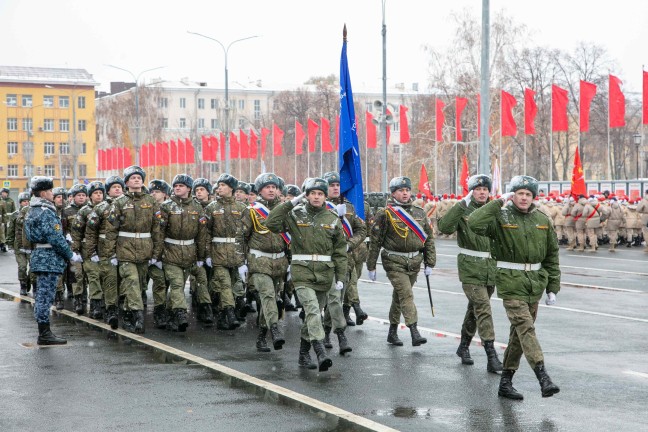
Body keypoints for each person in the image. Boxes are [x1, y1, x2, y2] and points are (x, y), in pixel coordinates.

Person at [468, 175, 560, 400]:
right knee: (526, 327)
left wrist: (552, 287)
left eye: (528, 194)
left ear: (533, 197)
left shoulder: (542, 219)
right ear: (513, 195)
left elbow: (551, 255)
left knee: (518, 336)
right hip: (510, 281)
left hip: (535, 283)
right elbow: (474, 222)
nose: (524, 198)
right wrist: (498, 201)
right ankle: (543, 376)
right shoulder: (501, 215)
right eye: (520, 193)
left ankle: (506, 382)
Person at [265, 178, 347, 372]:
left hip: (324, 275)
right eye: (312, 193)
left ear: (325, 197)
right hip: (302, 272)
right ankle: (320, 351)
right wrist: (290, 203)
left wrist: (341, 277)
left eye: (320, 194)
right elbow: (272, 223)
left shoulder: (332, 218)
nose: (316, 197)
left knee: (314, 315)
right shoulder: (295, 215)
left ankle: (303, 353)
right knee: (311, 311)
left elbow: (340, 252)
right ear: (307, 196)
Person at [437, 174, 503, 372]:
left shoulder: (496, 210)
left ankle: (464, 346)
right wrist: (460, 207)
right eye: (478, 189)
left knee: (474, 310)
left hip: (491, 268)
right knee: (483, 308)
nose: (482, 192)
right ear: (471, 191)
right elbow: (444, 228)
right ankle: (491, 355)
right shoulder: (463, 209)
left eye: (485, 189)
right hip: (470, 267)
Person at [366, 176, 436, 347]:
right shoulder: (385, 214)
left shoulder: (419, 212)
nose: (404, 193)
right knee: (406, 294)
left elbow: (428, 239)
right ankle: (414, 331)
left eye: (407, 190)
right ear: (393, 193)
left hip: (414, 262)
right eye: (400, 191)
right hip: (394, 261)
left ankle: (392, 332)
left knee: (399, 297)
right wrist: (371, 265)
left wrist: (430, 262)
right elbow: (375, 241)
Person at [107, 166, 163, 333]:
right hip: (125, 249)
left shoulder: (151, 201)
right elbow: (111, 230)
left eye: (139, 177)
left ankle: (126, 313)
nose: (136, 180)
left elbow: (157, 229)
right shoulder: (119, 202)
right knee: (131, 281)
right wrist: (111, 253)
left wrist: (155, 253)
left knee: (139, 284)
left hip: (145, 249)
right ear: (127, 182)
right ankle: (138, 316)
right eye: (133, 178)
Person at [154, 174, 210, 332]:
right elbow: (159, 233)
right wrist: (157, 256)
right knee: (177, 284)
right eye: (176, 185)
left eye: (181, 185)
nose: (177, 188)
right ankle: (180, 313)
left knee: (178, 285)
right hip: (170, 252)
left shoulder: (197, 207)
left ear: (188, 189)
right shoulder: (166, 206)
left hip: (189, 253)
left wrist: (201, 256)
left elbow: (201, 235)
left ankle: (172, 317)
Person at [242, 173, 290, 352]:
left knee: (272, 299)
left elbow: (290, 237)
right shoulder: (252, 210)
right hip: (259, 260)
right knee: (268, 295)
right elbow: (243, 237)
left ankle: (262, 336)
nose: (271, 190)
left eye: (274, 187)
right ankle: (275, 330)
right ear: (260, 190)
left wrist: (291, 262)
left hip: (279, 261)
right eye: (267, 187)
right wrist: (242, 263)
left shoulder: (285, 209)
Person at [321, 171, 366, 355]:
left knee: (336, 300)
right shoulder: (318, 207)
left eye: (338, 185)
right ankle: (335, 334)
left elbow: (361, 230)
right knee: (330, 300)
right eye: (331, 185)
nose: (335, 188)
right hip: (323, 260)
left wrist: (349, 245)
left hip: (344, 261)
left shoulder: (349, 207)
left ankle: (326, 331)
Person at [24, 177, 73, 345]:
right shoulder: (46, 211)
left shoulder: (32, 210)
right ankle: (44, 334)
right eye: (51, 191)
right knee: (45, 297)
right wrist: (69, 253)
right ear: (44, 193)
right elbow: (55, 237)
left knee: (42, 296)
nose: (53, 194)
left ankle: (44, 332)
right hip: (48, 258)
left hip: (40, 255)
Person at [204, 173, 248, 330]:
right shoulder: (212, 208)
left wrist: (245, 257)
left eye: (223, 185)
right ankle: (230, 312)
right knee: (224, 284)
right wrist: (207, 254)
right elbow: (206, 233)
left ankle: (223, 316)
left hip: (237, 253)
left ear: (231, 189)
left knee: (236, 284)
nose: (219, 188)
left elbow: (246, 234)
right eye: (218, 185)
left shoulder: (242, 208)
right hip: (218, 252)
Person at [85, 176, 124, 329]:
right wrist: (92, 251)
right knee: (110, 280)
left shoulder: (129, 205)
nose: (117, 189)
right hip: (105, 250)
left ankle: (127, 309)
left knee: (127, 281)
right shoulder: (101, 208)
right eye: (114, 187)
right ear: (108, 191)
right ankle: (111, 310)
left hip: (126, 248)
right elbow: (90, 232)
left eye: (119, 187)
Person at [71, 181, 106, 319]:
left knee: (103, 275)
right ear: (90, 196)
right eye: (95, 193)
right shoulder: (84, 211)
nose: (98, 195)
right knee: (90, 275)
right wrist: (76, 250)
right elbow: (76, 231)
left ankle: (101, 302)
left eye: (100, 193)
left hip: (103, 247)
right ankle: (91, 304)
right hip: (86, 248)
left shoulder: (108, 208)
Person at [7, 192, 32, 296]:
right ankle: (23, 284)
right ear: (20, 203)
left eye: (27, 201)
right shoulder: (14, 215)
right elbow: (10, 230)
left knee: (34, 267)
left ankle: (29, 281)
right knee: (22, 266)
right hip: (19, 245)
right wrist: (10, 244)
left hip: (31, 245)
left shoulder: (33, 213)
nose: (26, 203)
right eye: (24, 201)